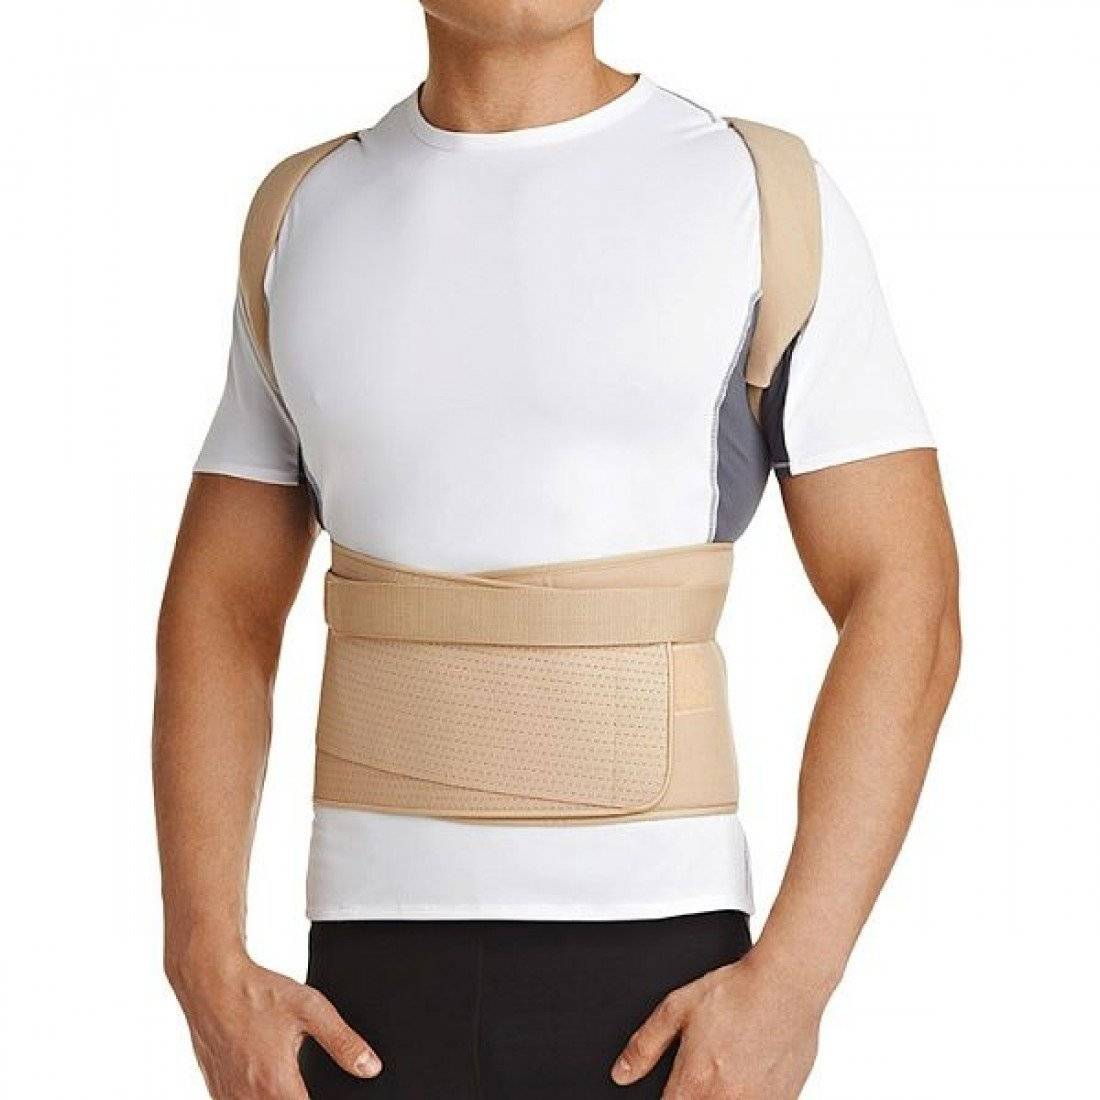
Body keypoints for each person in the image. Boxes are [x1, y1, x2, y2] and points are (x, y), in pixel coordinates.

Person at [153, 2, 961, 1097]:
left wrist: (795, 978)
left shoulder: (759, 192)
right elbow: (222, 606)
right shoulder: (304, 211)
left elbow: (904, 592)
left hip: (666, 981)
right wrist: (203, 963)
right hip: (359, 985)